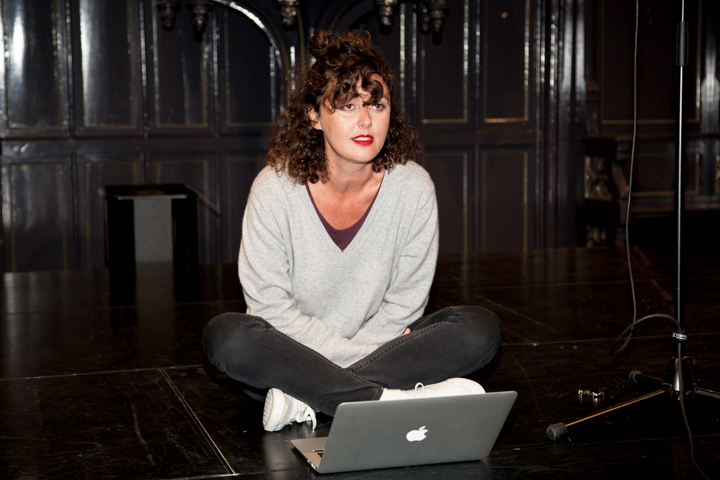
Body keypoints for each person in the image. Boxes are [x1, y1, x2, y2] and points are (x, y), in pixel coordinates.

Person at [203, 30, 502, 432]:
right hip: (294, 353)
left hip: (340, 361)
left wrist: (334, 368)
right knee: (228, 338)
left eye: (377, 104)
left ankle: (308, 397)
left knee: (479, 330)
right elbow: (270, 307)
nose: (365, 121)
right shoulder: (274, 188)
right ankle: (388, 399)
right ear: (314, 116)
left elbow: (405, 305)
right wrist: (354, 357)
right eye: (346, 105)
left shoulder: (413, 188)